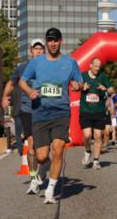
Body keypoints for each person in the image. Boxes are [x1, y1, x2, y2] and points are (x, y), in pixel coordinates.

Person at [19, 27, 83, 204]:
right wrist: (30, 91)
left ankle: (50, 190)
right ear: (46, 42)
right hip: (40, 112)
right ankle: (43, 168)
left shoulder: (70, 63)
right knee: (41, 156)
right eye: (50, 40)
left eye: (56, 40)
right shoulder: (36, 63)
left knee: (58, 151)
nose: (53, 43)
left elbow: (79, 81)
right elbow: (22, 81)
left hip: (61, 112)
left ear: (61, 41)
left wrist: (78, 86)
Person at [4, 40, 45, 193]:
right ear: (31, 51)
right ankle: (34, 178)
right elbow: (11, 82)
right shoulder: (22, 68)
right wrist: (4, 97)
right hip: (27, 110)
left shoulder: (49, 67)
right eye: (36, 49)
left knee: (44, 148)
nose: (39, 51)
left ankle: (42, 169)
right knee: (32, 143)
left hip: (44, 110)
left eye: (41, 49)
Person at [78, 57, 111, 169]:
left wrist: (105, 88)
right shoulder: (83, 75)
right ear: (90, 65)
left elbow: (112, 90)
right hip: (86, 110)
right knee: (87, 135)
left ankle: (96, 161)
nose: (98, 68)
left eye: (99, 66)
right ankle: (87, 151)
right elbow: (75, 86)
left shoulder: (102, 76)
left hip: (99, 111)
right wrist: (82, 86)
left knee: (98, 136)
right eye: (96, 66)